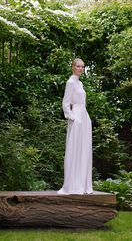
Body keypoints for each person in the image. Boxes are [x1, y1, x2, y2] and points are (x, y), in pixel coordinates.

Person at [58, 58, 93, 194]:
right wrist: (73, 117)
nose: (80, 69)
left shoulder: (80, 83)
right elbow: (66, 103)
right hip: (76, 118)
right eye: (78, 66)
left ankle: (83, 185)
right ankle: (72, 185)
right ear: (73, 67)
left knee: (84, 150)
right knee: (75, 150)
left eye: (82, 67)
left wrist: (84, 119)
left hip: (84, 117)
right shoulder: (70, 82)